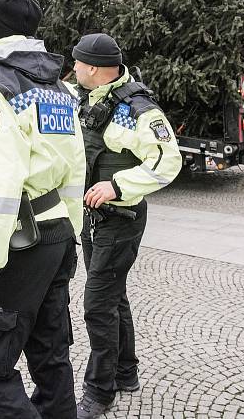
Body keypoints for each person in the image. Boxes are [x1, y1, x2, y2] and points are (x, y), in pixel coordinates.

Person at [0, 0, 86, 419]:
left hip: (20, 244)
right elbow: (75, 169)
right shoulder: (60, 90)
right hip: (57, 238)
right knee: (50, 356)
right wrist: (71, 236)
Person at [72, 33, 182, 418]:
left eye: (79, 64)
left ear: (96, 69)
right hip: (94, 220)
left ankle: (99, 392)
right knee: (113, 296)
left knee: (98, 304)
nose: (74, 69)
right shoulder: (89, 99)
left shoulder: (139, 110)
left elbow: (169, 162)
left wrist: (117, 185)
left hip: (122, 220)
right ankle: (126, 371)